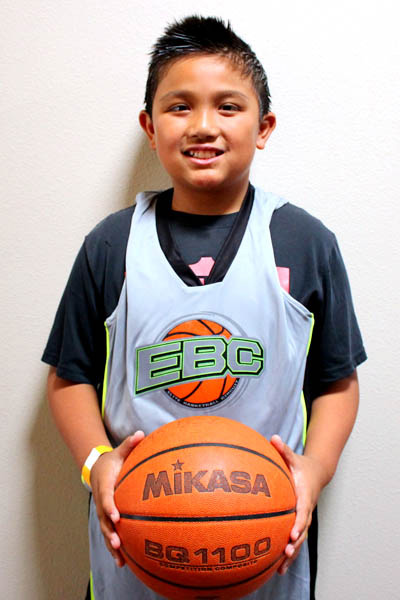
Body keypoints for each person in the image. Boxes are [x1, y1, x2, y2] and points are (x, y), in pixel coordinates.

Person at [42, 15, 366, 600]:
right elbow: (70, 379)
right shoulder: (112, 246)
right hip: (134, 549)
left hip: (267, 547)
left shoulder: (303, 242)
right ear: (150, 126)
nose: (203, 125)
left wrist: (314, 471)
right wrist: (98, 462)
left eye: (228, 106)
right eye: (179, 106)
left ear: (263, 127)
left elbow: (337, 383)